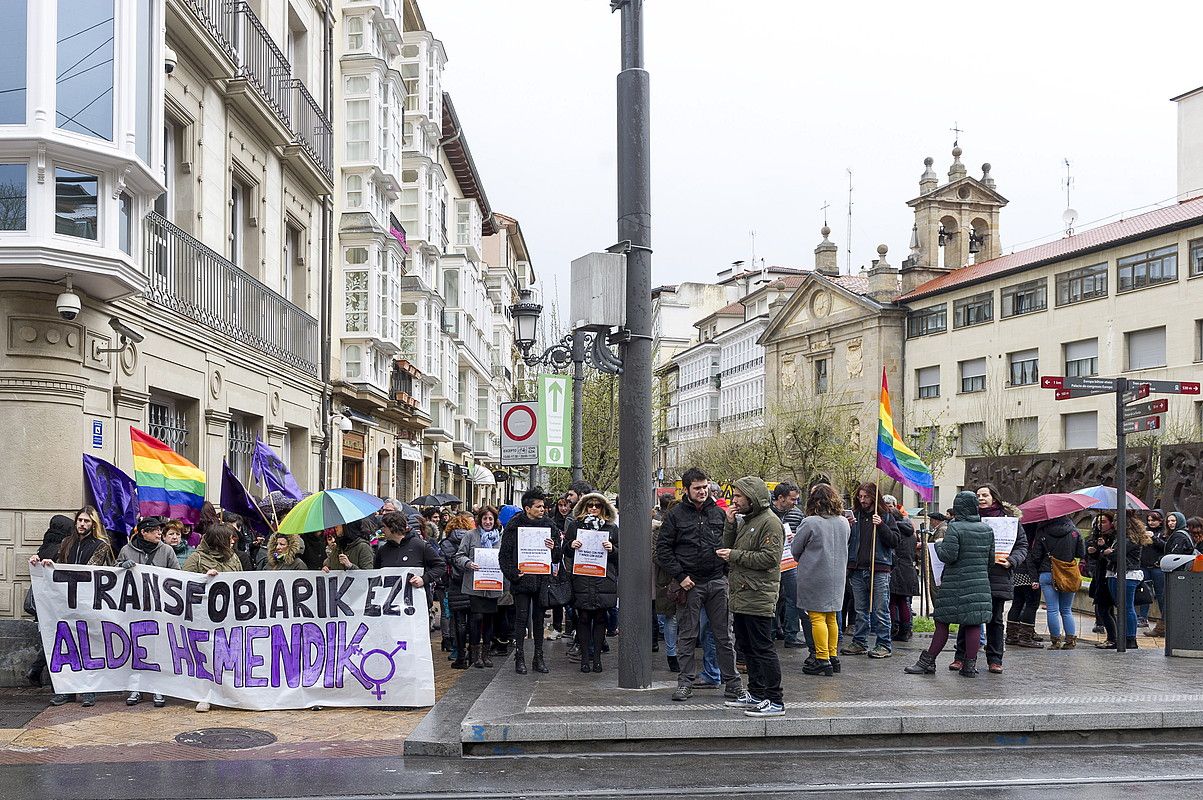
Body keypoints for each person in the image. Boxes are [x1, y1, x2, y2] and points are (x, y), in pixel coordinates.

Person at [655, 467, 743, 703]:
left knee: (724, 635)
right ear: (686, 490)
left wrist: (724, 574)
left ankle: (733, 683)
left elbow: (730, 543)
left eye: (705, 487)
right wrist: (681, 575)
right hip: (690, 583)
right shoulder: (675, 515)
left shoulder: (720, 513)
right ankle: (685, 683)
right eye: (697, 488)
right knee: (687, 635)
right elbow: (662, 550)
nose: (703, 491)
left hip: (716, 580)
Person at [30, 506, 114, 708]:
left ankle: (88, 691)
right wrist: (42, 563)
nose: (82, 524)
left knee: (88, 647)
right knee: (66, 647)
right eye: (80, 521)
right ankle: (66, 691)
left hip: (88, 603)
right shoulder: (66, 543)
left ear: (93, 524)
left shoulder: (101, 546)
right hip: (65, 603)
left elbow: (93, 570)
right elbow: (59, 565)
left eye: (86, 521)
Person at [905, 491, 994, 677]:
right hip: (980, 584)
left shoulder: (955, 527)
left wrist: (938, 544)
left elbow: (948, 555)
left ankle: (927, 662)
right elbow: (990, 561)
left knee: (942, 622)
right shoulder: (987, 529)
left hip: (955, 583)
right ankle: (969, 666)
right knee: (973, 623)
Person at [718, 477, 785, 717]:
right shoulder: (748, 521)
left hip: (758, 594)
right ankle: (756, 693)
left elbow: (769, 559)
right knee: (747, 647)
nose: (734, 500)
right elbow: (728, 550)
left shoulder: (770, 523)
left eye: (738, 496)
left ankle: (775, 699)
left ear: (752, 497)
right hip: (742, 593)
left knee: (762, 648)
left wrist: (735, 554)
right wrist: (729, 524)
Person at [951, 486, 1026, 674]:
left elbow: (1022, 546)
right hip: (973, 574)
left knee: (995, 619)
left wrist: (1011, 561)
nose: (981, 498)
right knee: (968, 616)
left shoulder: (1009, 521)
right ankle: (962, 657)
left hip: (998, 575)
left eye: (985, 495)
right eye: (978, 496)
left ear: (995, 497)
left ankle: (994, 659)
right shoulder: (965, 519)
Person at [182, 522, 243, 712]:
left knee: (229, 655)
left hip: (230, 615)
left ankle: (231, 693)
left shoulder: (234, 559)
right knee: (207, 656)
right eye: (228, 538)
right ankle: (205, 695)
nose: (232, 541)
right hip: (205, 617)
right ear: (218, 540)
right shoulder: (197, 558)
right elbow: (182, 583)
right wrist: (204, 579)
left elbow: (242, 580)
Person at [117, 517, 178, 708]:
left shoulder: (166, 550)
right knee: (137, 648)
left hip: (159, 608)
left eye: (160, 531)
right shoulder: (127, 550)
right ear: (144, 532)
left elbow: (177, 574)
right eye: (155, 531)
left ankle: (158, 688)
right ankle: (136, 687)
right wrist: (121, 567)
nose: (159, 534)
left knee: (158, 648)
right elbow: (113, 573)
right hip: (134, 607)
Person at [792, 483, 850, 677]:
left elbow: (795, 550)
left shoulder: (810, 522)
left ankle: (822, 658)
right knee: (831, 616)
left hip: (815, 574)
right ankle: (833, 656)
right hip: (837, 574)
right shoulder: (843, 522)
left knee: (816, 617)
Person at [499, 488, 558, 675]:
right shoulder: (514, 525)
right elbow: (504, 556)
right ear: (527, 508)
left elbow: (557, 557)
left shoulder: (549, 525)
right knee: (521, 618)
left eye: (543, 506)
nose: (543, 509)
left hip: (541, 580)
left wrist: (554, 547)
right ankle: (520, 657)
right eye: (538, 506)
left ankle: (538, 657)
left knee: (539, 620)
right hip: (523, 580)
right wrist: (514, 574)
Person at [842, 483, 899, 659]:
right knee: (860, 610)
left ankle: (883, 644)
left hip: (879, 568)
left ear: (874, 497)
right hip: (858, 568)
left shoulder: (886, 516)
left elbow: (894, 541)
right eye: (860, 496)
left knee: (881, 609)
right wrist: (848, 526)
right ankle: (860, 642)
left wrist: (881, 525)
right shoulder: (856, 516)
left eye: (866, 497)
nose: (863, 500)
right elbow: (847, 542)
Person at [564, 493, 619, 673]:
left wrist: (612, 549)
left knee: (601, 617)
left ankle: (597, 658)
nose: (593, 508)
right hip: (582, 578)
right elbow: (565, 549)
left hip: (604, 579)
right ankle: (585, 658)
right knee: (584, 617)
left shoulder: (611, 528)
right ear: (584, 508)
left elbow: (621, 555)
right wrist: (572, 545)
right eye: (590, 505)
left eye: (597, 505)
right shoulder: (575, 526)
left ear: (604, 508)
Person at [25, 514, 74, 687]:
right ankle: (49, 678)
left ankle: (36, 671)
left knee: (51, 639)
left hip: (43, 602)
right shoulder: (61, 548)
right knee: (56, 641)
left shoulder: (43, 548)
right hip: (56, 602)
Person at [456, 507, 505, 668]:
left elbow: (506, 558)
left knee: (490, 619)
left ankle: (486, 654)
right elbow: (459, 556)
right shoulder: (470, 535)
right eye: (485, 519)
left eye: (491, 519)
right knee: (476, 618)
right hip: (474, 585)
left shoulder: (499, 538)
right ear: (479, 520)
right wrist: (468, 563)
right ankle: (475, 654)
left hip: (492, 584)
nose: (488, 522)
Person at [1028, 514, 1085, 649]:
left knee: (1052, 609)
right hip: (1067, 574)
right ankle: (1070, 640)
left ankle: (1055, 641)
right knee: (1066, 609)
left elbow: (1035, 556)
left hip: (1047, 573)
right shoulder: (1075, 532)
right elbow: (1081, 553)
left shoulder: (1042, 532)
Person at [1104, 512, 1151, 650]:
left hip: (1128, 575)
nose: (1114, 523)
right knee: (1122, 606)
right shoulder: (1121, 537)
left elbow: (1116, 555)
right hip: (1117, 573)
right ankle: (1125, 637)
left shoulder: (1130, 539)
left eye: (1117, 520)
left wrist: (1109, 552)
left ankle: (1130, 638)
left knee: (1127, 607)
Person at [769, 482, 805, 649]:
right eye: (793, 499)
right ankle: (769, 633)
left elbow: (804, 535)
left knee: (793, 598)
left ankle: (791, 634)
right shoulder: (766, 513)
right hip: (770, 562)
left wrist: (797, 536)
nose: (795, 503)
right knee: (771, 598)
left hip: (790, 563)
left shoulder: (798, 515)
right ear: (780, 498)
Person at [884, 495, 919, 644]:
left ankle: (895, 628)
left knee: (892, 601)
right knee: (903, 601)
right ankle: (906, 630)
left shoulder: (894, 530)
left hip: (895, 568)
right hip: (908, 568)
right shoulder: (910, 531)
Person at [441, 513, 473, 668]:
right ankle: (473, 654)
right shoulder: (472, 540)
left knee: (458, 621)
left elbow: (442, 565)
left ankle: (460, 655)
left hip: (454, 585)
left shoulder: (446, 543)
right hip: (472, 584)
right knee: (473, 620)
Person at [1087, 512, 1118, 648]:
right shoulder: (1097, 536)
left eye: (1104, 522)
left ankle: (1113, 639)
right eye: (1098, 522)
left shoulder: (1115, 537)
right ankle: (1113, 637)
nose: (1100, 525)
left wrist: (1103, 547)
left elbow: (1111, 555)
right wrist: (1094, 552)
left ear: (1111, 523)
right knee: (1105, 609)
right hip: (1099, 575)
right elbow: (1098, 557)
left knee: (1105, 609)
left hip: (1109, 575)